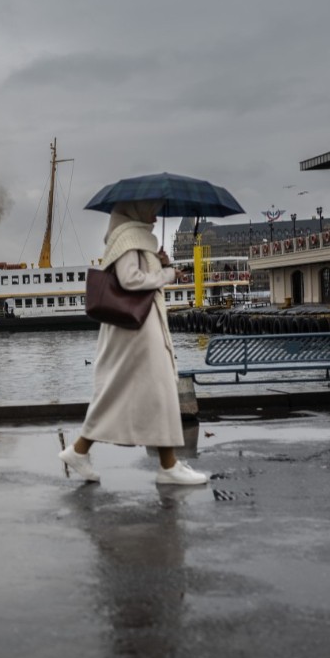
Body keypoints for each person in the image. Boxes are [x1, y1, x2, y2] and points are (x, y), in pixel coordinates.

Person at [59, 202, 209, 486]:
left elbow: (136, 275)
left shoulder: (135, 239)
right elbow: (130, 280)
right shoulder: (130, 239)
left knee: (133, 392)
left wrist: (159, 262)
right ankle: (167, 466)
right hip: (140, 331)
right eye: (149, 206)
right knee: (158, 391)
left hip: (139, 329)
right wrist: (167, 274)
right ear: (133, 209)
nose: (155, 211)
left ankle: (82, 450)